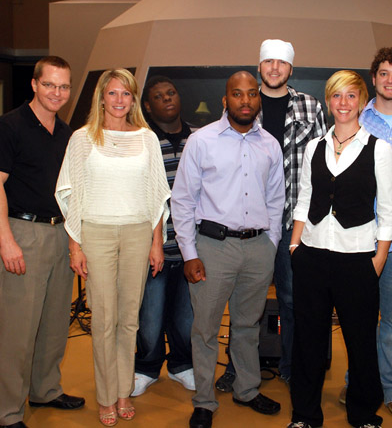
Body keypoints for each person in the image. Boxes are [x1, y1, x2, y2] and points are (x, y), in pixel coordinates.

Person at [55, 68, 170, 427]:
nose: (120, 100)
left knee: (129, 319)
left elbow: (156, 197)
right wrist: (75, 247)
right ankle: (105, 396)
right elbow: (70, 195)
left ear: (133, 99)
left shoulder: (147, 139)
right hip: (97, 233)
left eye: (127, 94)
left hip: (138, 233)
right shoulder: (82, 139)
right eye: (114, 93)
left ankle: (124, 391)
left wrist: (156, 244)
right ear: (102, 97)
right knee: (103, 320)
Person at [171, 71, 285, 428]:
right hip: (212, 247)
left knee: (248, 325)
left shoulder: (269, 144)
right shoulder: (201, 141)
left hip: (257, 248)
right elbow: (183, 200)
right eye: (238, 94)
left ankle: (247, 389)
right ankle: (204, 400)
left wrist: (272, 243)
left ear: (259, 100)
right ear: (225, 100)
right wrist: (189, 253)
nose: (246, 101)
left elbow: (276, 198)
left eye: (252, 94)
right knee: (205, 328)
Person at [215, 39, 327, 392]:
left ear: (291, 69)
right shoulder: (242, 104)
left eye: (282, 63)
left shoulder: (311, 107)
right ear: (260, 66)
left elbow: (325, 162)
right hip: (250, 225)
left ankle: (292, 366)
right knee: (243, 302)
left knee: (293, 299)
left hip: (295, 222)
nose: (275, 68)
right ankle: (236, 367)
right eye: (269, 62)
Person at [287, 70, 392, 428]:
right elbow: (304, 197)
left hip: (358, 257)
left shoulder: (379, 149)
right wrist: (295, 244)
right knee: (309, 341)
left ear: (362, 102)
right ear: (328, 101)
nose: (344, 103)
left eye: (351, 96)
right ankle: (305, 414)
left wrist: (379, 258)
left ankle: (364, 414)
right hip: (313, 254)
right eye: (337, 96)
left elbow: (388, 210)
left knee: (361, 340)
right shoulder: (313, 147)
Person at [338, 46, 392, 419]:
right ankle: (358, 381)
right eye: (384, 73)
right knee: (357, 317)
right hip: (359, 237)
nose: (390, 80)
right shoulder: (355, 118)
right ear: (373, 78)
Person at [0, 56, 85, 428]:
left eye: (63, 86)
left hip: (59, 232)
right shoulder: (10, 126)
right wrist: (6, 242)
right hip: (22, 233)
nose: (57, 93)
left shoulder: (67, 134)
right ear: (34, 84)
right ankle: (7, 410)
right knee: (18, 330)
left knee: (53, 322)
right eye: (49, 84)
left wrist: (74, 242)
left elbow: (69, 194)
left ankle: (45, 389)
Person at [131, 76, 195, 397]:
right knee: (150, 318)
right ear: (147, 105)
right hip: (152, 247)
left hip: (189, 250)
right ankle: (146, 368)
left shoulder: (198, 138)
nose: (167, 99)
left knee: (186, 319)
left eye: (171, 92)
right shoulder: (141, 140)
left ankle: (183, 365)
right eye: (158, 96)